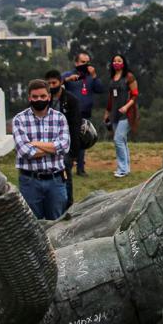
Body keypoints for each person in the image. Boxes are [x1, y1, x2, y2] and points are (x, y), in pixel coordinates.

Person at [12, 79, 71, 220]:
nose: (39, 99)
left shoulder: (60, 118)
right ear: (29, 98)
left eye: (43, 96)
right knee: (32, 227)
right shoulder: (19, 119)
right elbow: (25, 151)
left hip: (56, 180)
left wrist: (35, 143)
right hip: (30, 181)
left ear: (49, 97)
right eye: (35, 97)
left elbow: (65, 146)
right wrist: (52, 147)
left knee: (58, 224)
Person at [62, 51, 104, 176]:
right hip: (70, 113)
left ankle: (80, 168)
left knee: (82, 140)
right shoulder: (69, 75)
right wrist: (67, 80)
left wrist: (94, 75)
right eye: (83, 62)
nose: (85, 65)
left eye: (87, 62)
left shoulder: (90, 77)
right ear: (76, 63)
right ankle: (67, 165)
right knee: (70, 140)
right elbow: (54, 84)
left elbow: (100, 89)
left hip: (85, 113)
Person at [45, 70, 82, 208]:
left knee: (65, 171)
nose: (51, 86)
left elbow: (75, 126)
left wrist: (74, 152)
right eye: (48, 83)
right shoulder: (44, 99)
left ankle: (68, 203)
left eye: (54, 83)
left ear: (60, 82)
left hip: (66, 143)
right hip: (48, 142)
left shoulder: (71, 100)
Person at [103, 54, 139, 178]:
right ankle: (125, 168)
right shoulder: (112, 78)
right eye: (114, 60)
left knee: (118, 139)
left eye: (119, 60)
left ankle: (122, 169)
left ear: (123, 62)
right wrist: (107, 112)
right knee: (122, 141)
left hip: (127, 113)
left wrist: (126, 106)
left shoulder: (129, 77)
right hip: (114, 113)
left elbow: (135, 95)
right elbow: (110, 98)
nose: (116, 62)